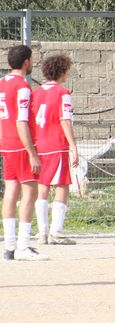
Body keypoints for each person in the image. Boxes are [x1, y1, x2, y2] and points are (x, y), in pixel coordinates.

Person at [0, 45, 47, 260]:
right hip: (20, 145)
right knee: (30, 192)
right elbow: (21, 121)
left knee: (11, 190)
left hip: (6, 144)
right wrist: (32, 153)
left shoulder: (2, 83)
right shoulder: (22, 87)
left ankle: (9, 246)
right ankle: (23, 246)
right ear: (26, 62)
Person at [32, 54, 79, 245]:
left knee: (42, 186)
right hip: (56, 145)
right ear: (62, 71)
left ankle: (42, 233)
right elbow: (65, 120)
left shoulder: (36, 92)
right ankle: (56, 232)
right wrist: (73, 146)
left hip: (38, 145)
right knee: (62, 185)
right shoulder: (63, 93)